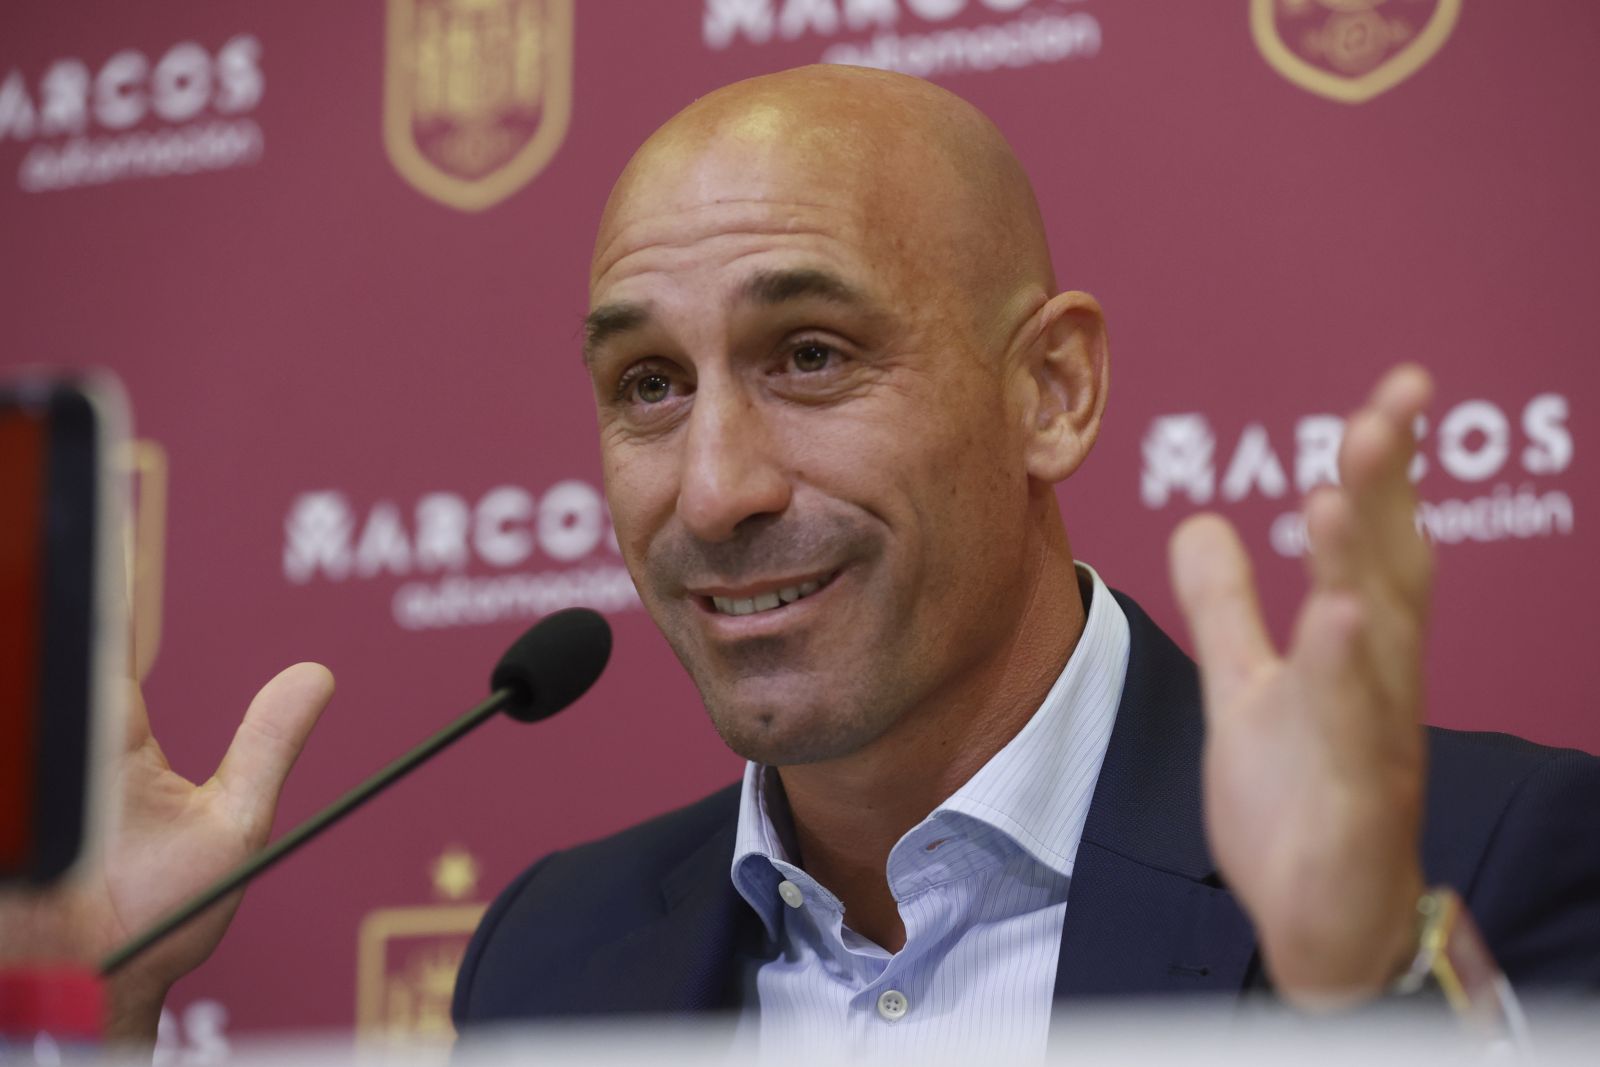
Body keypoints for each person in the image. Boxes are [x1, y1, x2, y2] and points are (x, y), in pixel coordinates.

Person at [4, 66, 1596, 1054]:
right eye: (647, 387)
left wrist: (1374, 991)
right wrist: (103, 1018)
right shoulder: (551, 960)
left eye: (813, 356)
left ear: (1051, 391)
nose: (713, 490)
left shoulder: (1487, 861)